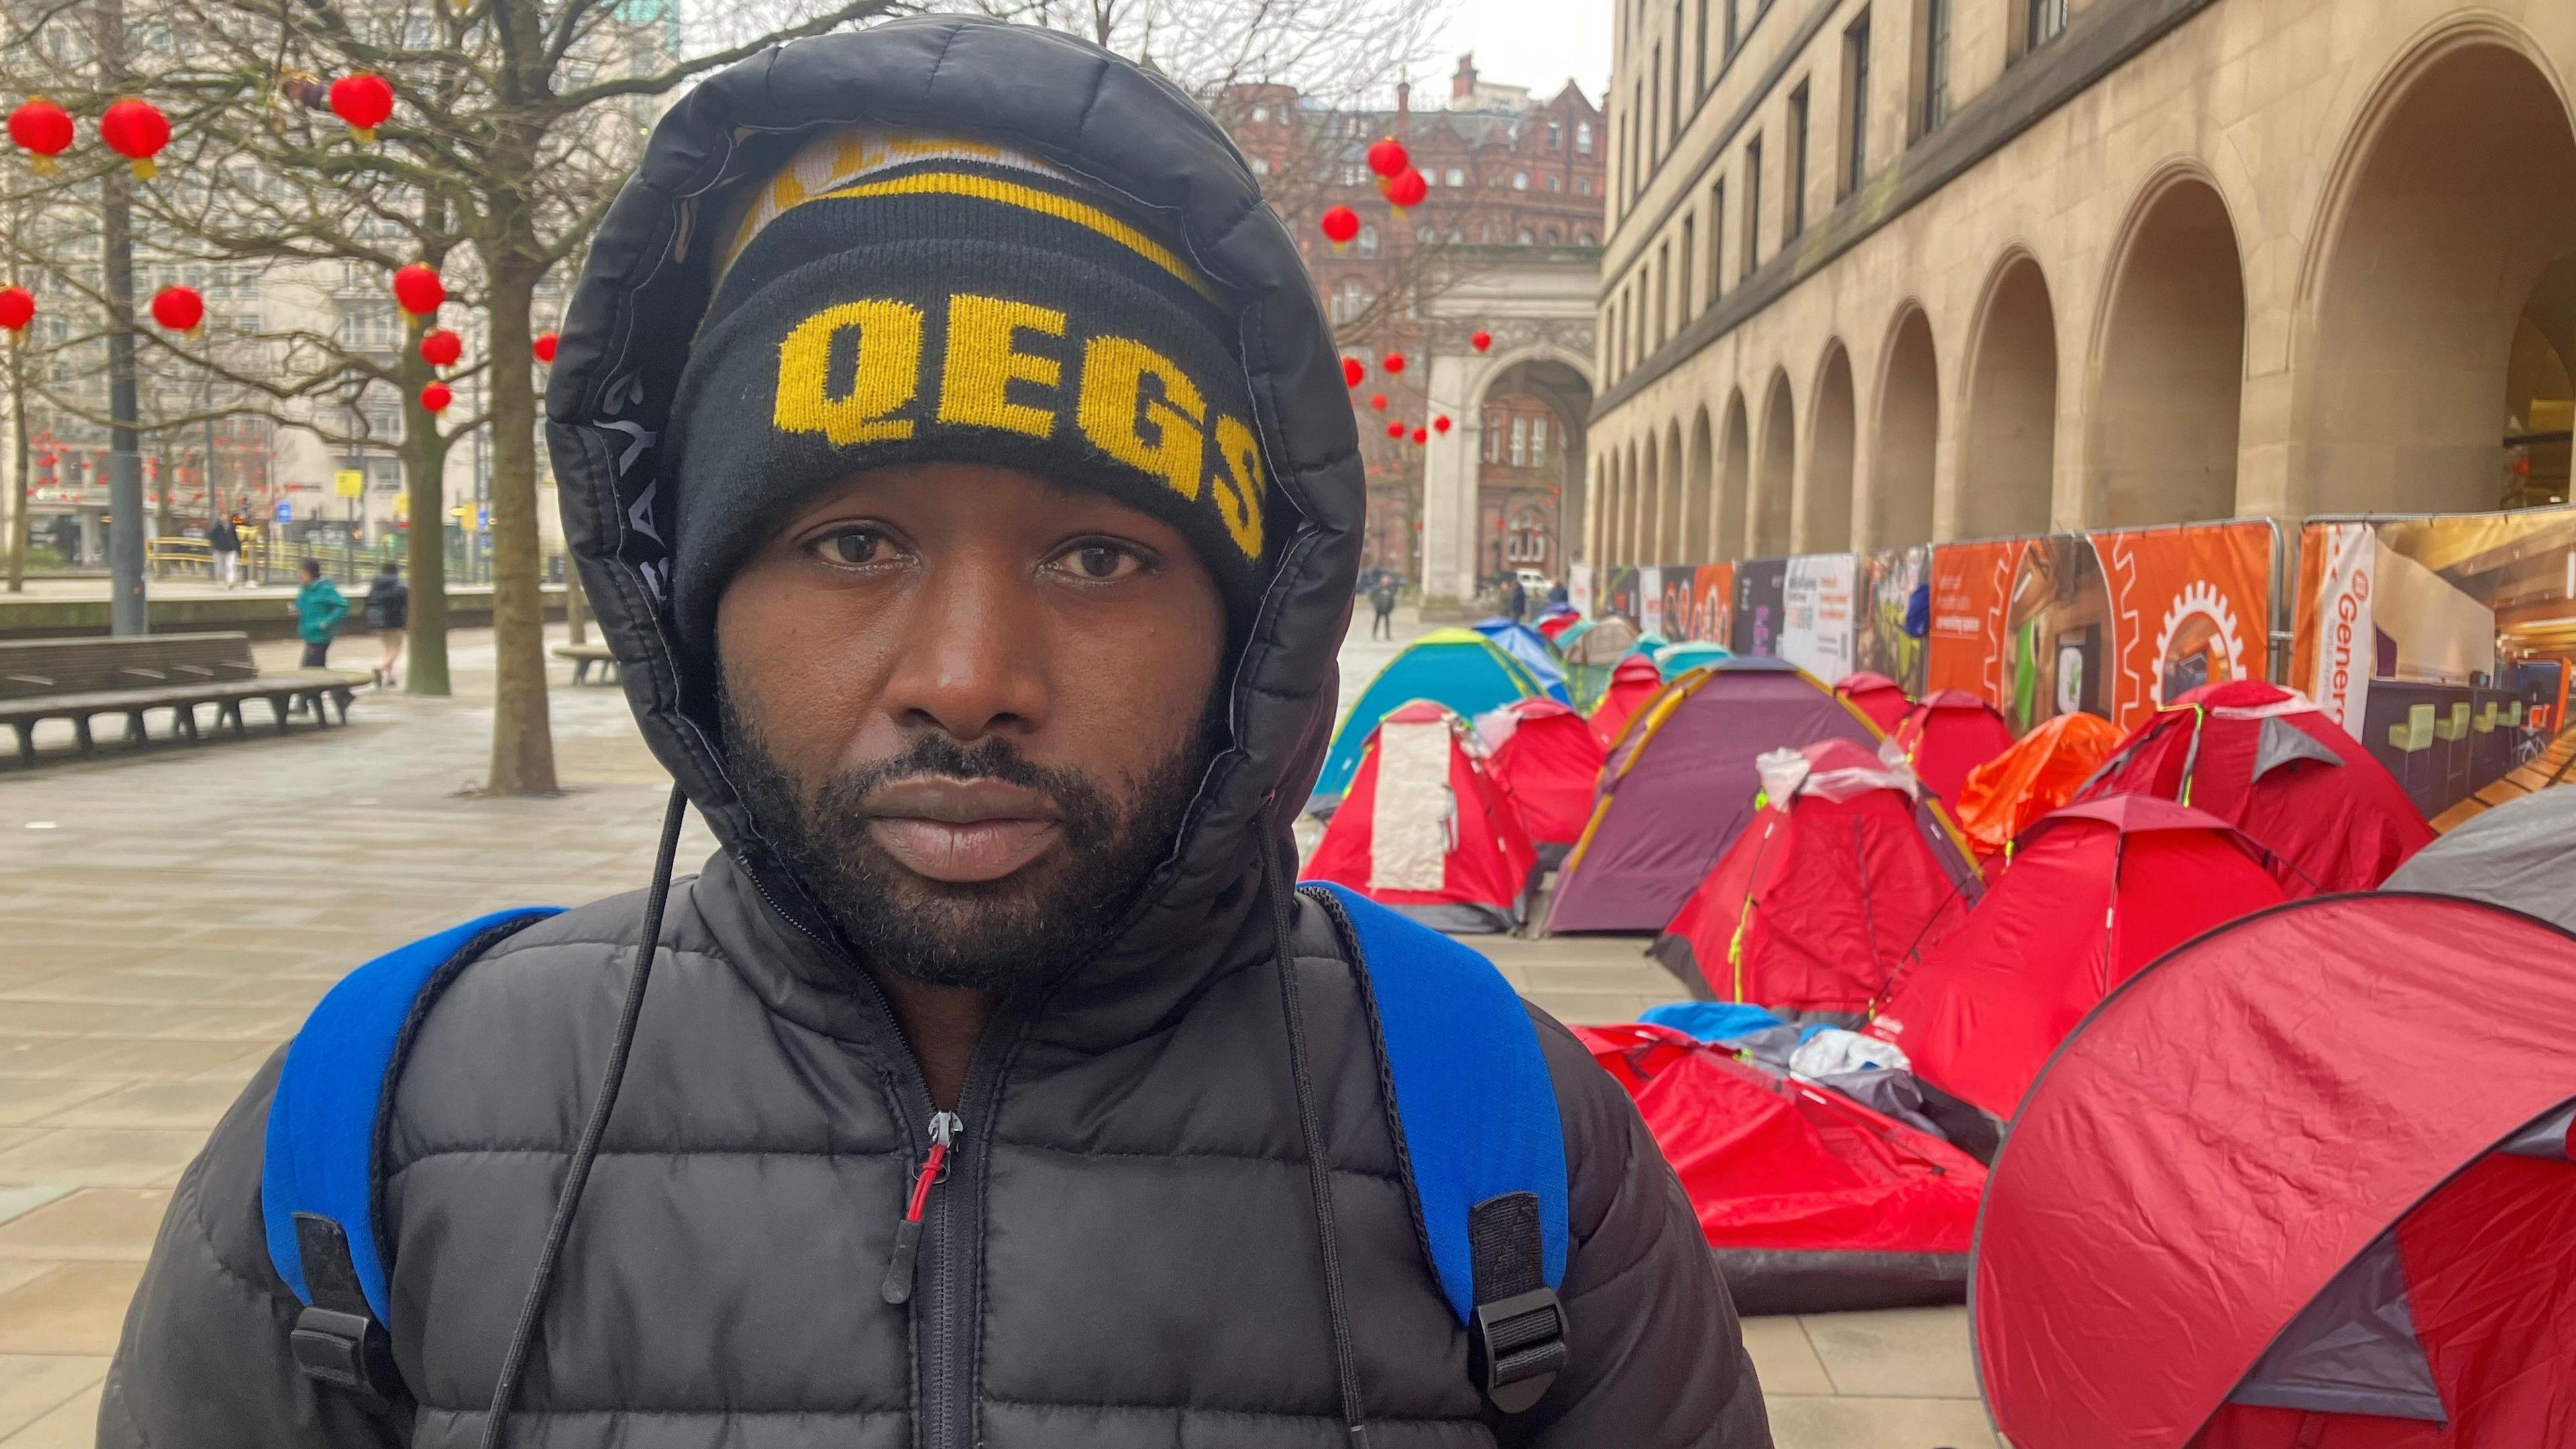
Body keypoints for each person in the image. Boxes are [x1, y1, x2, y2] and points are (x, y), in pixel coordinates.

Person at [103, 22, 1768, 1449]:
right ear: (689, 598)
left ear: (1253, 618)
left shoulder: (1503, 1139)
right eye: (854, 542)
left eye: (1097, 554)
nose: (968, 674)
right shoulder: (372, 1128)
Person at [290, 557, 347, 669]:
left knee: (308, 669)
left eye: (302, 573)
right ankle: (339, 686)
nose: (300, 576)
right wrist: (296, 610)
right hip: (308, 633)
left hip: (320, 635)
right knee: (318, 668)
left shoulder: (325, 589)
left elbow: (342, 606)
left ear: (310, 573)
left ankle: (340, 685)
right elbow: (302, 605)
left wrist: (327, 622)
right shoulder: (305, 589)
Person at [362, 559, 408, 688]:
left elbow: (368, 601)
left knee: (388, 649)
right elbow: (403, 603)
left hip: (376, 621)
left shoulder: (376, 585)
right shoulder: (399, 585)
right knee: (396, 648)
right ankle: (381, 669)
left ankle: (387, 679)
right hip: (393, 622)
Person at [207, 515, 241, 588]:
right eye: (222, 519)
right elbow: (210, 536)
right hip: (219, 550)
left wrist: (238, 550)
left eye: (225, 519)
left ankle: (230, 581)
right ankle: (220, 580)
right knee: (219, 567)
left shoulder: (232, 528)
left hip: (231, 550)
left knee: (230, 565)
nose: (224, 521)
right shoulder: (217, 528)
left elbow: (236, 539)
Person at [1368, 569, 1399, 640]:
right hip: (1379, 608)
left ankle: (1387, 635)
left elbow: (1394, 594)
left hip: (1387, 608)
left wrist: (1391, 607)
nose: (1385, 583)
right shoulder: (1378, 588)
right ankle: (1374, 634)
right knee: (1377, 621)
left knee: (1387, 622)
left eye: (1387, 581)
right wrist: (1375, 603)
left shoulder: (1390, 589)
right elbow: (1371, 596)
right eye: (1384, 581)